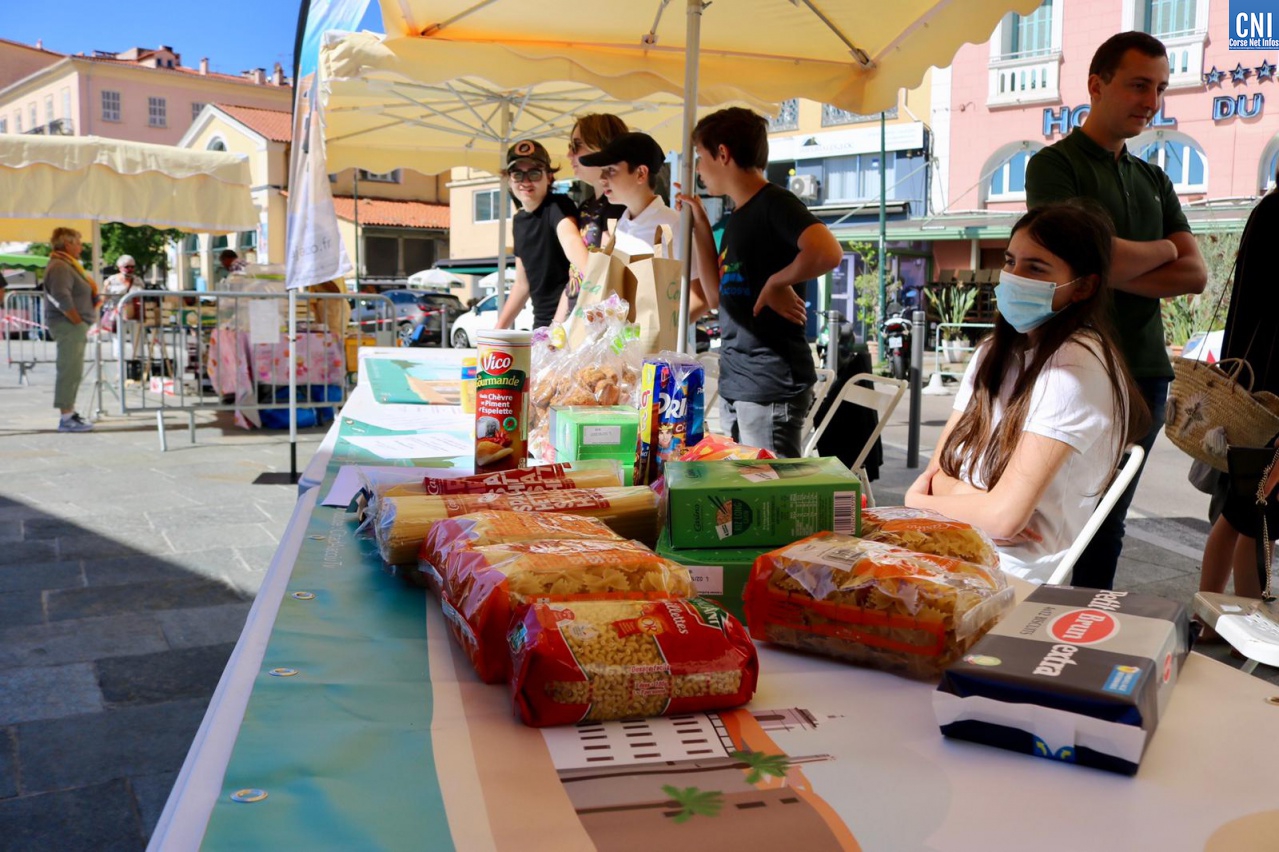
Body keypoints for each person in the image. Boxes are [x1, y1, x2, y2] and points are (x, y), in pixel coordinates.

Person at [1025, 31, 1207, 589]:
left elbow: (1195, 275)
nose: (1152, 101)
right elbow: (1074, 257)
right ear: (1096, 85)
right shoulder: (1052, 166)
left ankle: (1081, 629)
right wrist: (1163, 249)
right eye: (1138, 85)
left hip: (1145, 372)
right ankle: (1031, 622)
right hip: (1074, 367)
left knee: (1107, 524)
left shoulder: (1154, 178)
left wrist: (1108, 263)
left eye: (1160, 88)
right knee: (1046, 515)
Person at [906, 203, 1149, 582]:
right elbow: (937, 473)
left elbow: (1001, 518)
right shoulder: (993, 352)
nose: (1014, 277)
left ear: (1083, 287)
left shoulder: (1074, 366)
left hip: (1007, 580)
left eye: (1036, 268)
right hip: (950, 549)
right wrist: (973, 504)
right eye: (1010, 261)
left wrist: (918, 500)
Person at [679, 107, 842, 458]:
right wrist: (701, 223)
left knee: (769, 487)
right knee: (746, 485)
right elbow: (714, 297)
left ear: (723, 153)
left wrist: (777, 283)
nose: (699, 169)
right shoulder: (738, 214)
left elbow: (828, 251)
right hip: (738, 382)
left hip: (769, 385)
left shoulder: (774, 203)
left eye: (701, 157)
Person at [1198, 185, 1279, 600]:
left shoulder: (1268, 210)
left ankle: (1213, 620)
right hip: (1269, 396)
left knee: (1243, 513)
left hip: (1255, 389)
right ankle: (1238, 622)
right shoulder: (1274, 213)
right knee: (1252, 516)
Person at [580, 131, 710, 322]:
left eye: (611, 170)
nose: (602, 178)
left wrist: (655, 333)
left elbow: (699, 298)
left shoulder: (673, 226)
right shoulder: (621, 226)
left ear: (641, 173)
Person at [495, 140, 587, 331]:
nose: (526, 182)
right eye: (517, 174)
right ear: (509, 180)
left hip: (570, 321)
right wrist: (498, 330)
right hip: (542, 325)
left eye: (534, 173)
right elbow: (522, 285)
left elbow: (571, 241)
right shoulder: (519, 222)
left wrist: (588, 267)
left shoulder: (558, 206)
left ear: (549, 177)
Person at [554, 113, 629, 323]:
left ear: (603, 147)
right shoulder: (587, 206)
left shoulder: (618, 207)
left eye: (576, 146)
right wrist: (555, 326)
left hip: (595, 325)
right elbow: (574, 277)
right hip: (577, 320)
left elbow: (605, 277)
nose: (569, 154)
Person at [42, 227, 100, 432]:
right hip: (68, 324)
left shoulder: (66, 265)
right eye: (78, 243)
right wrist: (76, 320)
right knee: (69, 369)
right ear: (67, 244)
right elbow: (61, 295)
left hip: (72, 325)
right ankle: (66, 416)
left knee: (73, 370)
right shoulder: (60, 266)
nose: (81, 248)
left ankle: (69, 412)